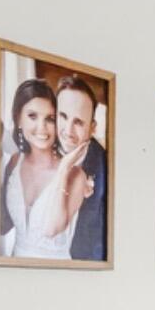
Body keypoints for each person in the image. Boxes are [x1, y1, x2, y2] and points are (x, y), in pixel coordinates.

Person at [0, 78, 74, 260]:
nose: (42, 128)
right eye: (32, 116)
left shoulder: (71, 171)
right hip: (15, 269)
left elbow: (55, 228)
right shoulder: (14, 162)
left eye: (50, 119)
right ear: (18, 119)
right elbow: (3, 226)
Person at [53, 73, 110, 262]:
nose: (68, 131)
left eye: (78, 122)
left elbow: (102, 243)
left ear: (92, 127)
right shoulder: (37, 147)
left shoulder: (105, 166)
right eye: (63, 116)